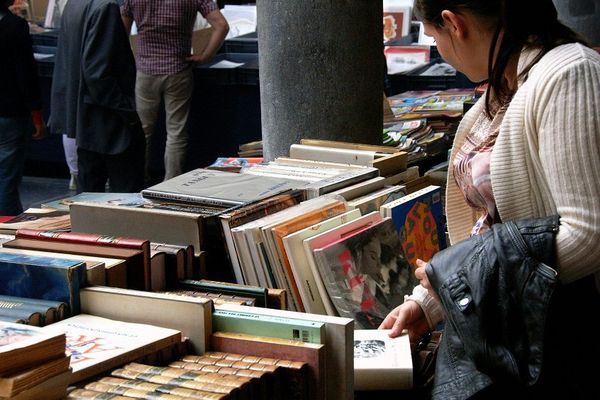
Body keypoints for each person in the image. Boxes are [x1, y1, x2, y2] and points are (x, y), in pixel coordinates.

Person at [379, 0, 600, 398]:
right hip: (518, 329)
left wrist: (457, 284)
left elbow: (588, 235)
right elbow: (488, 232)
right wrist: (431, 303)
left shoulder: (569, 74)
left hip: (559, 343)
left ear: (453, 23)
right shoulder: (506, 86)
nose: (440, 52)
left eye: (433, 38)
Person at [120, 0, 229, 184]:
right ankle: (171, 183)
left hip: (145, 72)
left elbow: (119, 33)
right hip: (179, 70)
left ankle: (139, 180)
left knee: (142, 132)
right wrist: (205, 55)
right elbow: (222, 26)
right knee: (176, 132)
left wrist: (132, 58)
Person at [50, 0, 145, 193]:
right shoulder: (106, 7)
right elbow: (97, 74)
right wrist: (128, 112)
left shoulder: (74, 4)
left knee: (89, 196)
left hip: (85, 119)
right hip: (109, 120)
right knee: (125, 199)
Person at [0, 0, 45, 216]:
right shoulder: (15, 26)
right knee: (7, 175)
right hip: (10, 110)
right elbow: (26, 73)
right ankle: (6, 223)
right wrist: (36, 113)